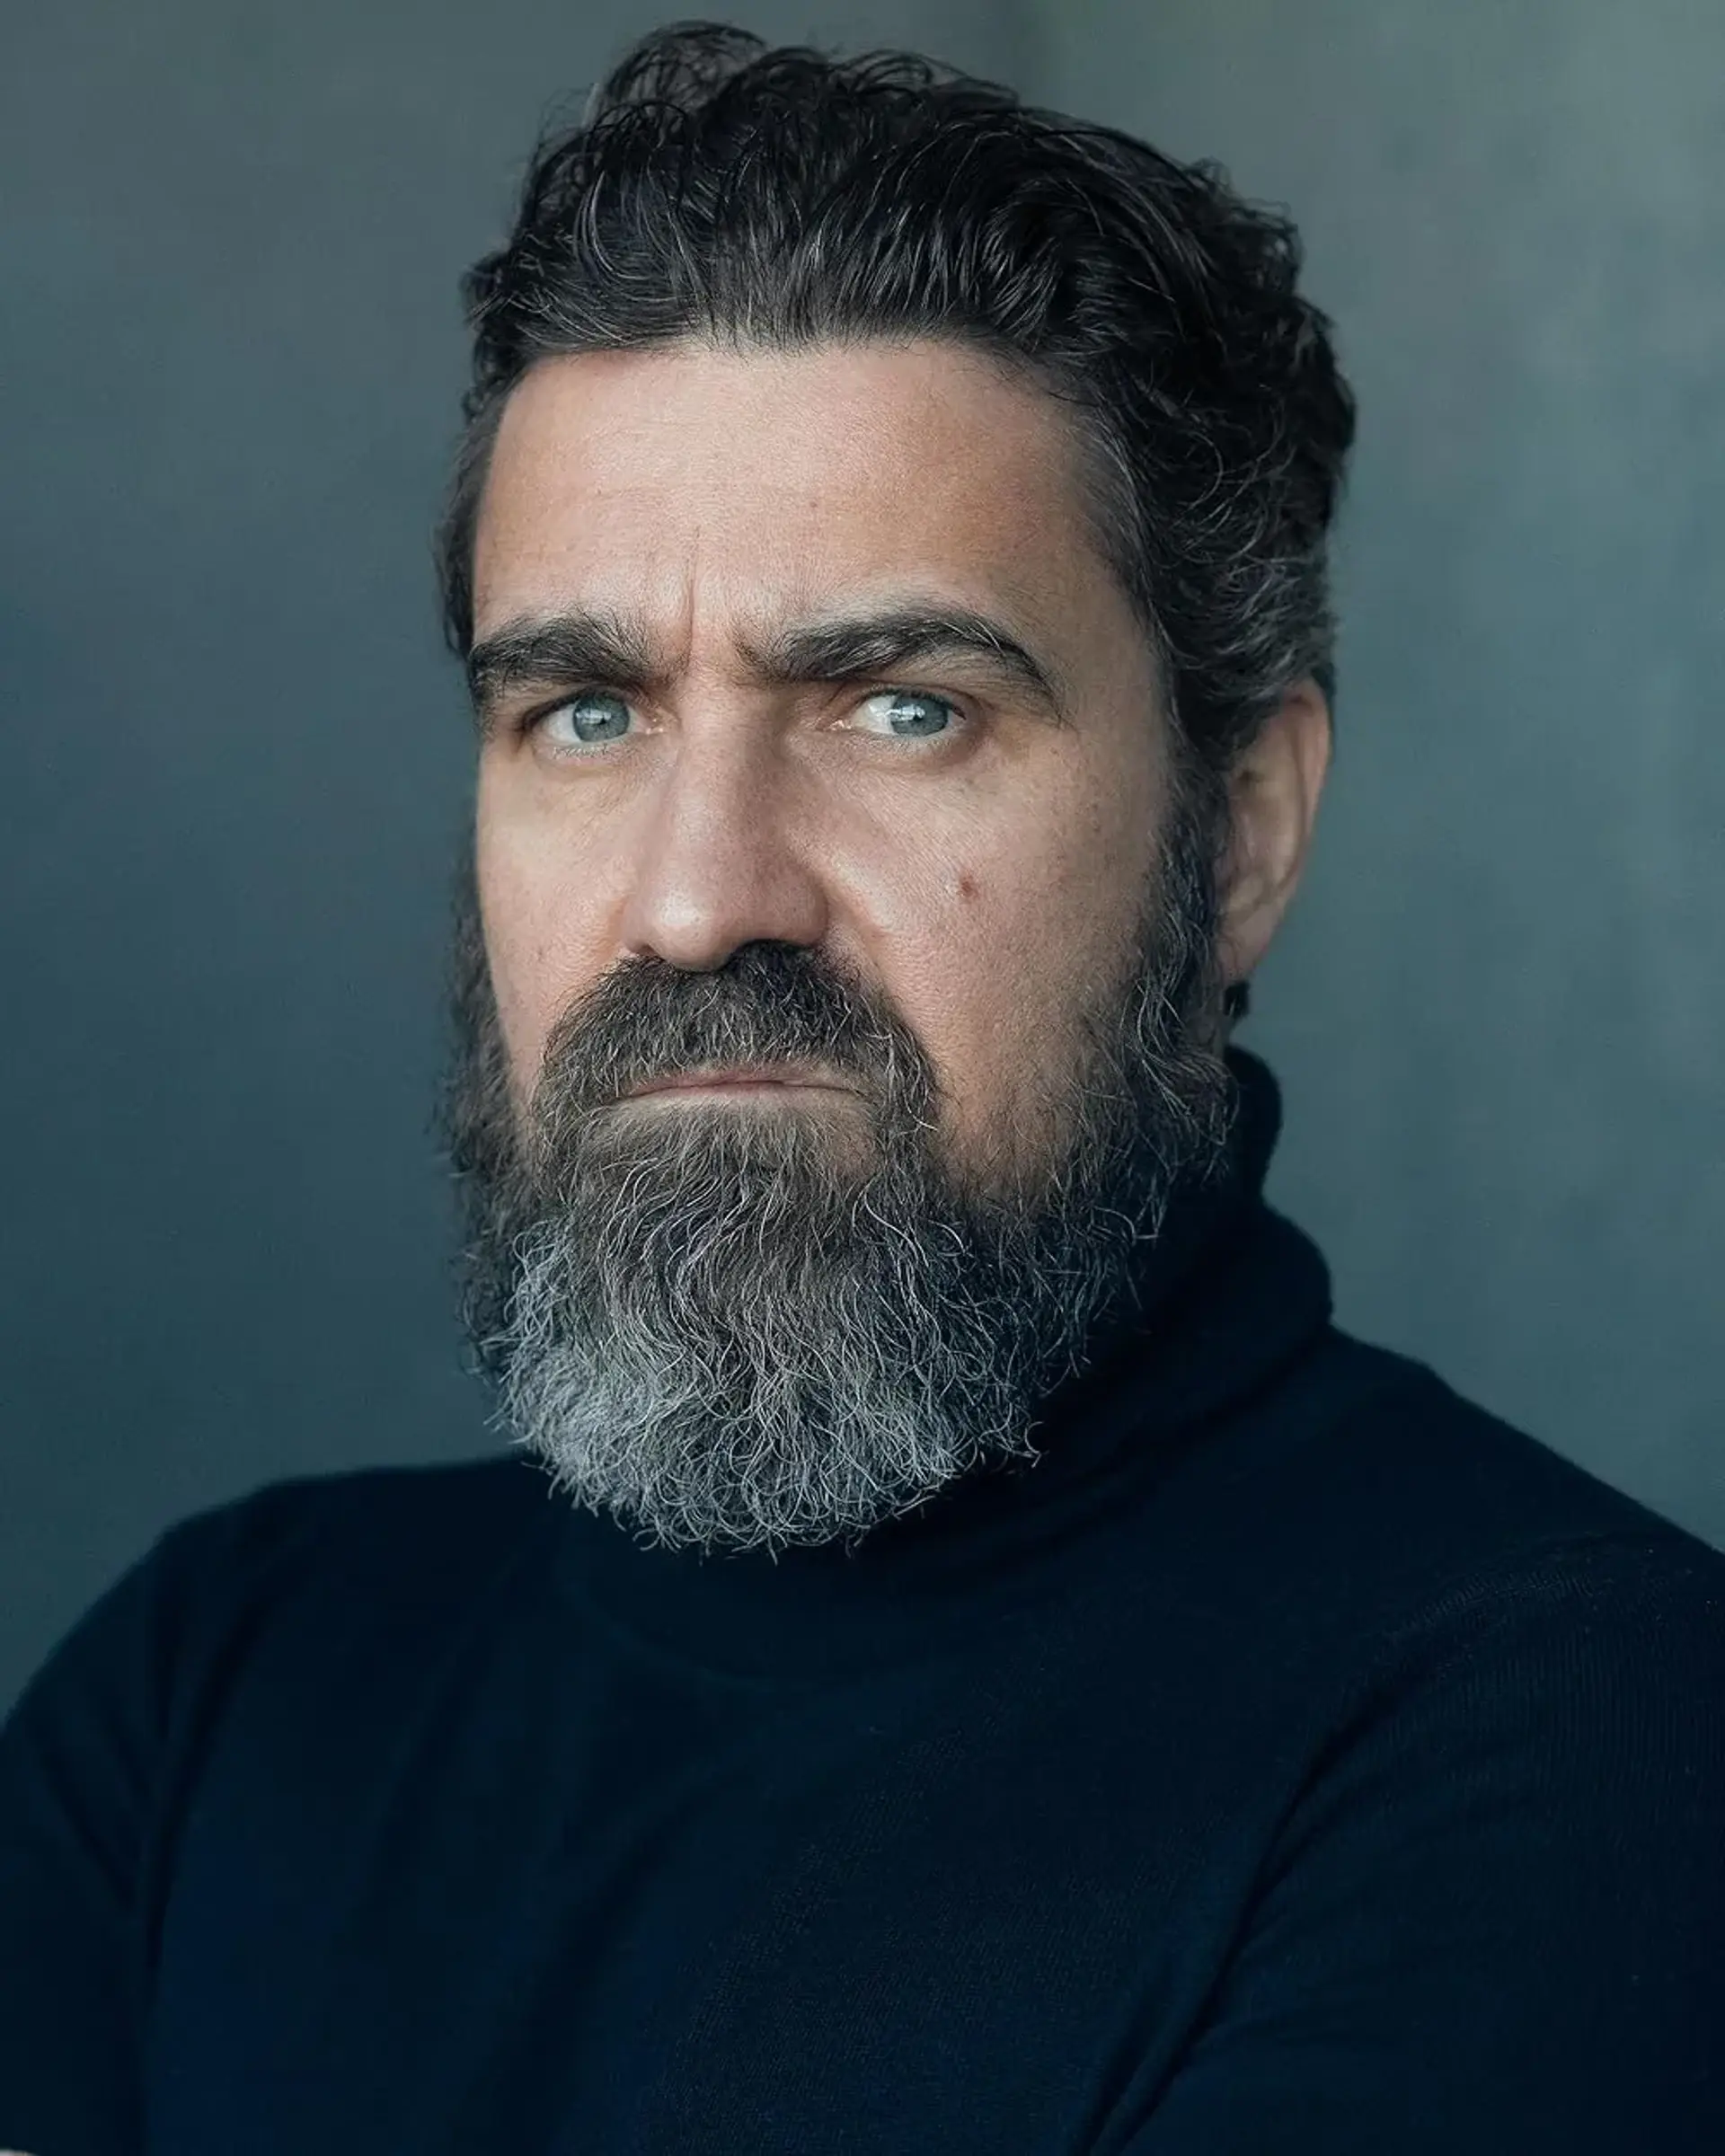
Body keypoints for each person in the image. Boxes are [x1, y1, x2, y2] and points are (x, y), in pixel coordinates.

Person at [3, 21, 1721, 2152]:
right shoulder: (204, 1700)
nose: (698, 901)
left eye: (903, 706)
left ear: (1242, 829)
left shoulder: (1589, 1738)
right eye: (586, 713)